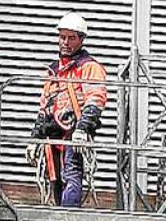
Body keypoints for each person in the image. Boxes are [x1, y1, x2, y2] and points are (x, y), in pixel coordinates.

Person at [26, 12, 107, 206]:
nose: (65, 42)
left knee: (71, 173)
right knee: (54, 178)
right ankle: (58, 218)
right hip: (53, 133)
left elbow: (95, 100)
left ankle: (69, 219)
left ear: (81, 40)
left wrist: (82, 129)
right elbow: (44, 107)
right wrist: (34, 139)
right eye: (62, 37)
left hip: (73, 133)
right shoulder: (53, 71)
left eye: (71, 38)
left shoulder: (89, 68)